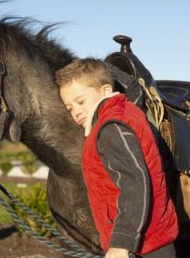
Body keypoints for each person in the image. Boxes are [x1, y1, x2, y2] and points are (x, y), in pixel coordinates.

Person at [55, 58, 179, 258]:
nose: (76, 111)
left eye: (80, 101)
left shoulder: (111, 126)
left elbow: (134, 183)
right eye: (70, 107)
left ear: (105, 91)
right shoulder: (120, 115)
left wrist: (122, 242)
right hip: (144, 240)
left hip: (142, 246)